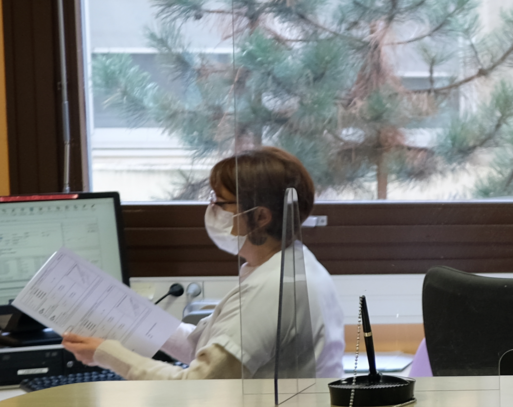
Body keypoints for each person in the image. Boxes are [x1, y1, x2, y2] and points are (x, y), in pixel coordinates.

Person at [63, 146, 348, 382]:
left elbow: (197, 386)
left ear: (261, 217)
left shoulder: (273, 288)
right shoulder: (288, 264)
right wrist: (130, 314)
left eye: (221, 203)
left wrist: (107, 353)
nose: (212, 209)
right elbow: (198, 345)